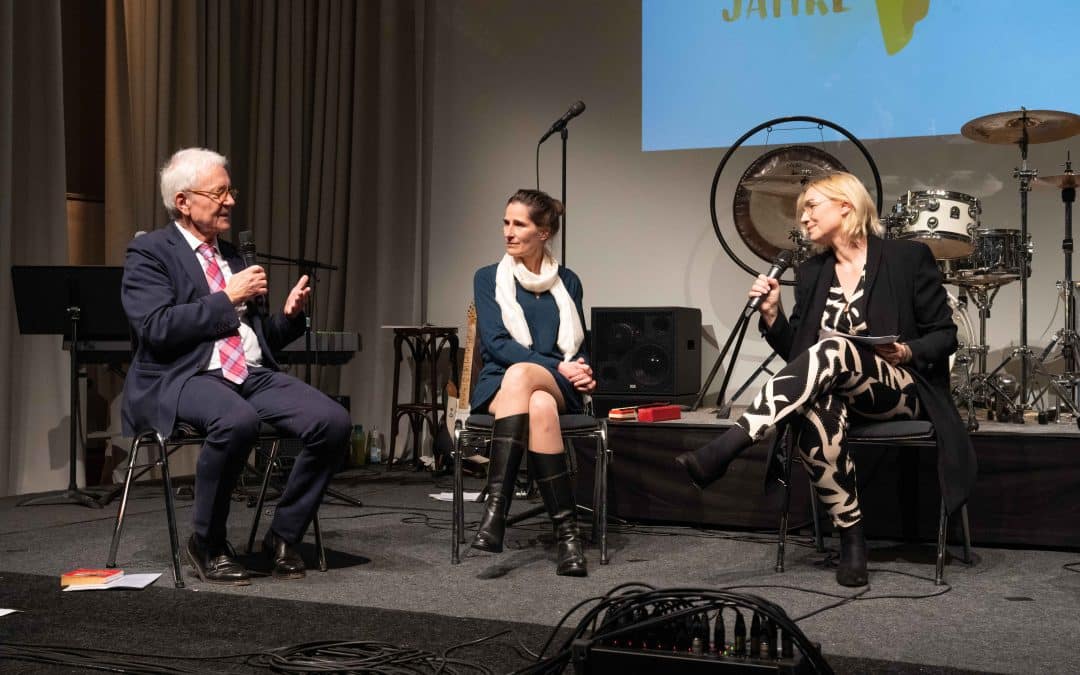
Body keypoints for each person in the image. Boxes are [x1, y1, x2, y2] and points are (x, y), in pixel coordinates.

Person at [677, 172, 976, 587]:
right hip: (840, 391)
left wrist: (906, 351)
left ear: (846, 206)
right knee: (818, 409)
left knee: (835, 349)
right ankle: (853, 540)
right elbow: (801, 359)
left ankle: (733, 443)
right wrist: (771, 316)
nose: (803, 219)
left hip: (902, 388)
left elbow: (945, 335)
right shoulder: (813, 272)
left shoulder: (908, 258)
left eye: (811, 207)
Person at [121, 147, 350, 586]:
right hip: (183, 374)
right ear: (183, 201)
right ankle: (206, 541)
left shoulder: (235, 256)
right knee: (237, 421)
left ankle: (283, 535)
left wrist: (290, 317)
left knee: (332, 421)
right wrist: (227, 297)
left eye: (231, 191)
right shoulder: (150, 252)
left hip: (247, 371)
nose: (230, 201)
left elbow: (259, 338)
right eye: (220, 192)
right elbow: (155, 328)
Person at [469, 189, 596, 577]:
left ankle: (496, 511)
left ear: (544, 233)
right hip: (500, 383)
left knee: (526, 378)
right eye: (506, 222)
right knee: (532, 396)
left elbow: (577, 346)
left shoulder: (568, 282)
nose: (508, 232)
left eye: (519, 224)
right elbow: (497, 344)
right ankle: (568, 537)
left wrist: (582, 369)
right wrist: (560, 368)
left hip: (558, 383)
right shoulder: (488, 277)